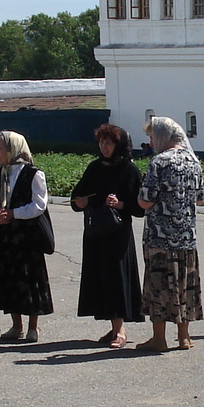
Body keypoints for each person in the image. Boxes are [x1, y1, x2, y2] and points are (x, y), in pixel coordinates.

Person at [70, 124, 144, 348]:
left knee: (116, 278)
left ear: (118, 144)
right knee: (101, 277)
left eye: (109, 142)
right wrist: (80, 201)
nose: (104, 147)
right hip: (96, 232)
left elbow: (139, 207)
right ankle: (113, 328)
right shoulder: (94, 167)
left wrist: (120, 203)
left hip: (117, 233)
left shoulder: (129, 170)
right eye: (102, 142)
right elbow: (78, 193)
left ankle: (120, 330)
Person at [135, 116, 204, 352]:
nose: (152, 142)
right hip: (186, 236)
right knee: (184, 284)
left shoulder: (159, 162)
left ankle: (159, 338)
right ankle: (184, 336)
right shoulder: (193, 161)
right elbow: (201, 197)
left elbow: (145, 201)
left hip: (160, 237)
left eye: (152, 137)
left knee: (159, 286)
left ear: (163, 136)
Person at [0, 131, 52, 343]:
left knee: (31, 279)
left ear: (12, 149)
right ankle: (16, 325)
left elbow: (39, 205)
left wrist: (14, 214)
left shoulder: (33, 174)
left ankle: (33, 326)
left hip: (27, 236)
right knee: (9, 279)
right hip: (5, 236)